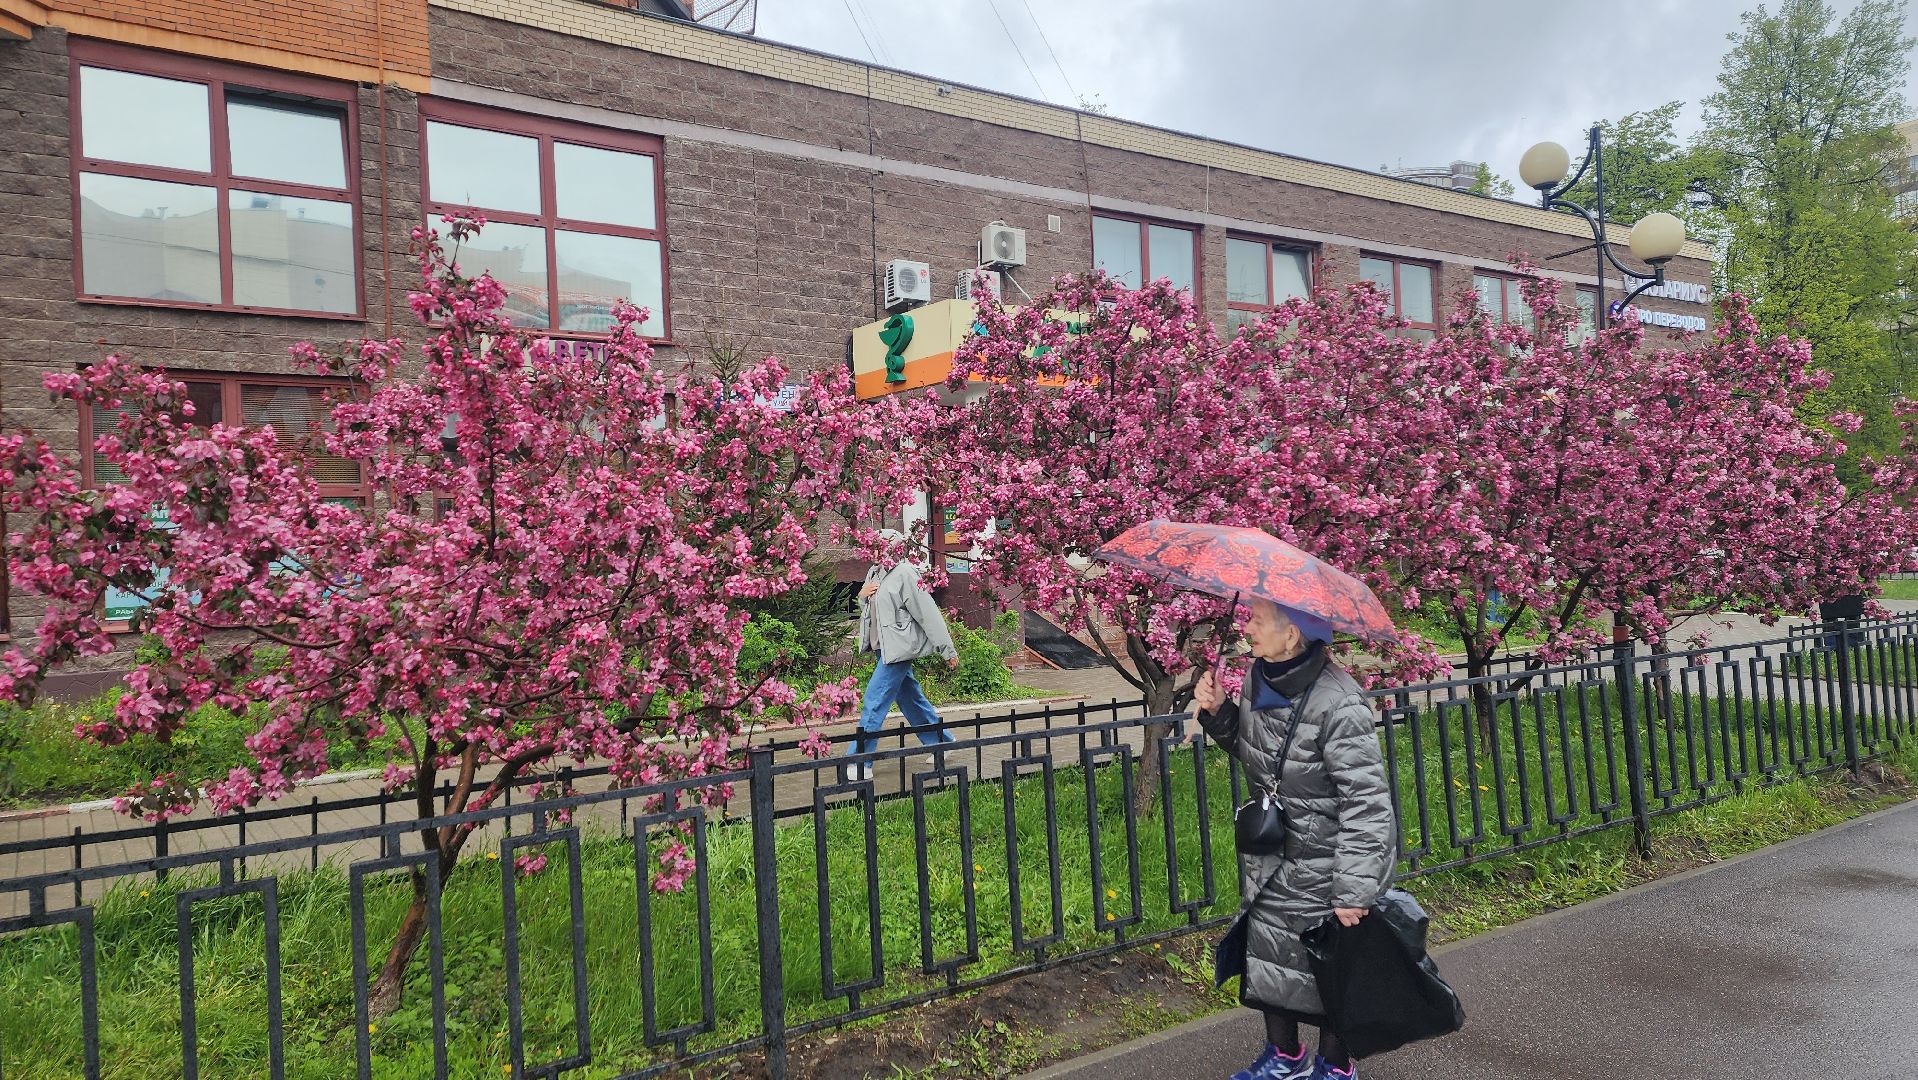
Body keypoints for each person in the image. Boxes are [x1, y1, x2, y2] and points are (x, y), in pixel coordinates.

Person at [1194, 598, 1397, 1080]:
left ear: (1292, 637)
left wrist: (1355, 888)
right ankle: (1283, 1056)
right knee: (1270, 954)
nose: (1247, 628)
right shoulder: (1257, 680)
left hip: (1327, 859)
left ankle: (1334, 1064)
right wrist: (1220, 712)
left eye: (1257, 622)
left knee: (1327, 965)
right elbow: (1256, 754)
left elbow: (1367, 803)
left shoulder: (1340, 703)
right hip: (1273, 854)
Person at [843, 531, 960, 782]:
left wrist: (946, 649)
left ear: (892, 548)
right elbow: (873, 611)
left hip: (898, 651)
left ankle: (860, 760)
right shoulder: (874, 573)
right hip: (881, 648)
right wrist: (862, 598)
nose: (873, 552)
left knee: (874, 699)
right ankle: (942, 741)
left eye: (878, 547)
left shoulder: (905, 574)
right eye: (870, 547)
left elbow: (927, 613)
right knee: (910, 698)